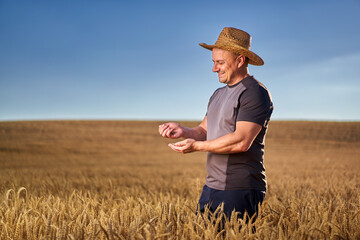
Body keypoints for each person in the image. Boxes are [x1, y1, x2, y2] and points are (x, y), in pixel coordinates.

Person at [158, 27, 273, 223]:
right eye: (213, 62)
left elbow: (241, 141)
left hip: (239, 188)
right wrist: (182, 131)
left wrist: (196, 147)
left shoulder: (254, 93)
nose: (214, 68)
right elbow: (204, 130)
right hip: (212, 186)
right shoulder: (218, 94)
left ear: (240, 60)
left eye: (220, 63)